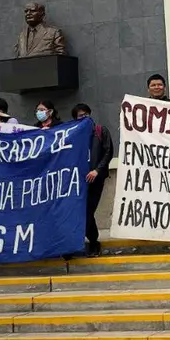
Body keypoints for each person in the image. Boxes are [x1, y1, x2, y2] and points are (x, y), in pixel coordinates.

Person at [72, 103, 114, 257]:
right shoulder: (74, 134)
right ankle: (92, 241)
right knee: (82, 212)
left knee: (88, 211)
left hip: (96, 178)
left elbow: (108, 152)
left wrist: (97, 170)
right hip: (79, 180)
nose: (84, 117)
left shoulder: (100, 131)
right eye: (80, 116)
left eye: (86, 114)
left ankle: (88, 242)